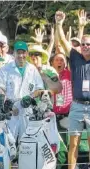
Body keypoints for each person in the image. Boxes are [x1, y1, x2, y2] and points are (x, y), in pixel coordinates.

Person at [55, 10, 90, 169]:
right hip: (76, 106)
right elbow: (63, 41)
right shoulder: (75, 57)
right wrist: (59, 24)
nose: (85, 46)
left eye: (88, 44)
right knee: (74, 143)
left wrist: (83, 26)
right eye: (83, 44)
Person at [0, 41, 44, 140]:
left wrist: (30, 97)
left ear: (27, 53)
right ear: (14, 53)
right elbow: (0, 90)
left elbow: (40, 89)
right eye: (18, 53)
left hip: (27, 111)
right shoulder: (5, 69)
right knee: (9, 143)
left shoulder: (33, 69)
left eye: (23, 52)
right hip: (11, 112)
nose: (21, 55)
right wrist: (9, 105)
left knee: (27, 143)